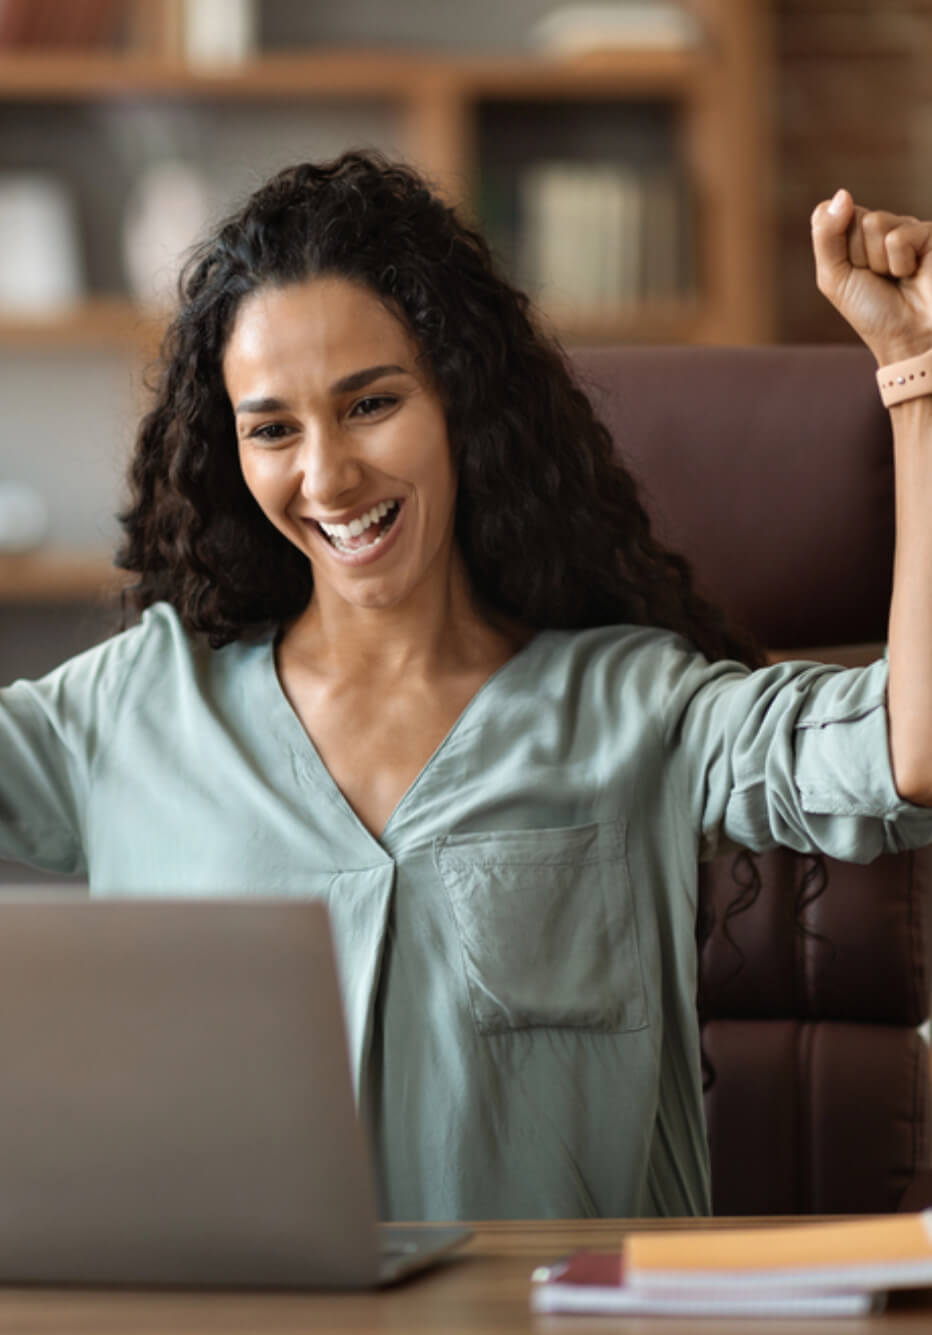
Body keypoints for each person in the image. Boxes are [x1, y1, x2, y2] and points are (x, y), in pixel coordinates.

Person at [3, 150, 932, 1221]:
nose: (327, 476)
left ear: (461, 404)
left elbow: (909, 753)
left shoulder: (634, 710)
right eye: (272, 429)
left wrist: (914, 375)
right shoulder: (135, 707)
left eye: (369, 404)